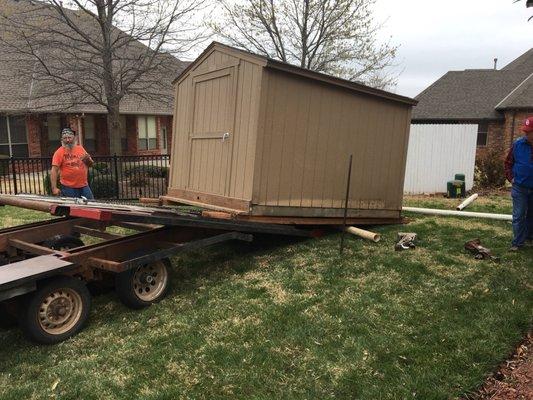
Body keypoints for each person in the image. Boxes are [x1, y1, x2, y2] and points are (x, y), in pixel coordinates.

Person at [504, 116, 533, 251]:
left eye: (529, 132)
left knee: (531, 215)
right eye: (525, 131)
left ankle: (529, 237)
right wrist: (511, 178)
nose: (526, 134)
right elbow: (508, 163)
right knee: (519, 215)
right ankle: (517, 243)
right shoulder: (518, 144)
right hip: (520, 187)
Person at [50, 127, 95, 199]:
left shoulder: (80, 149)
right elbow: (54, 170)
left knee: (91, 205)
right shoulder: (59, 152)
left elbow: (91, 164)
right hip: (68, 187)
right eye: (65, 138)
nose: (67, 140)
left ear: (74, 138)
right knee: (73, 208)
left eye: (69, 137)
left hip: (84, 185)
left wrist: (88, 161)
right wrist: (54, 188)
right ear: (62, 140)